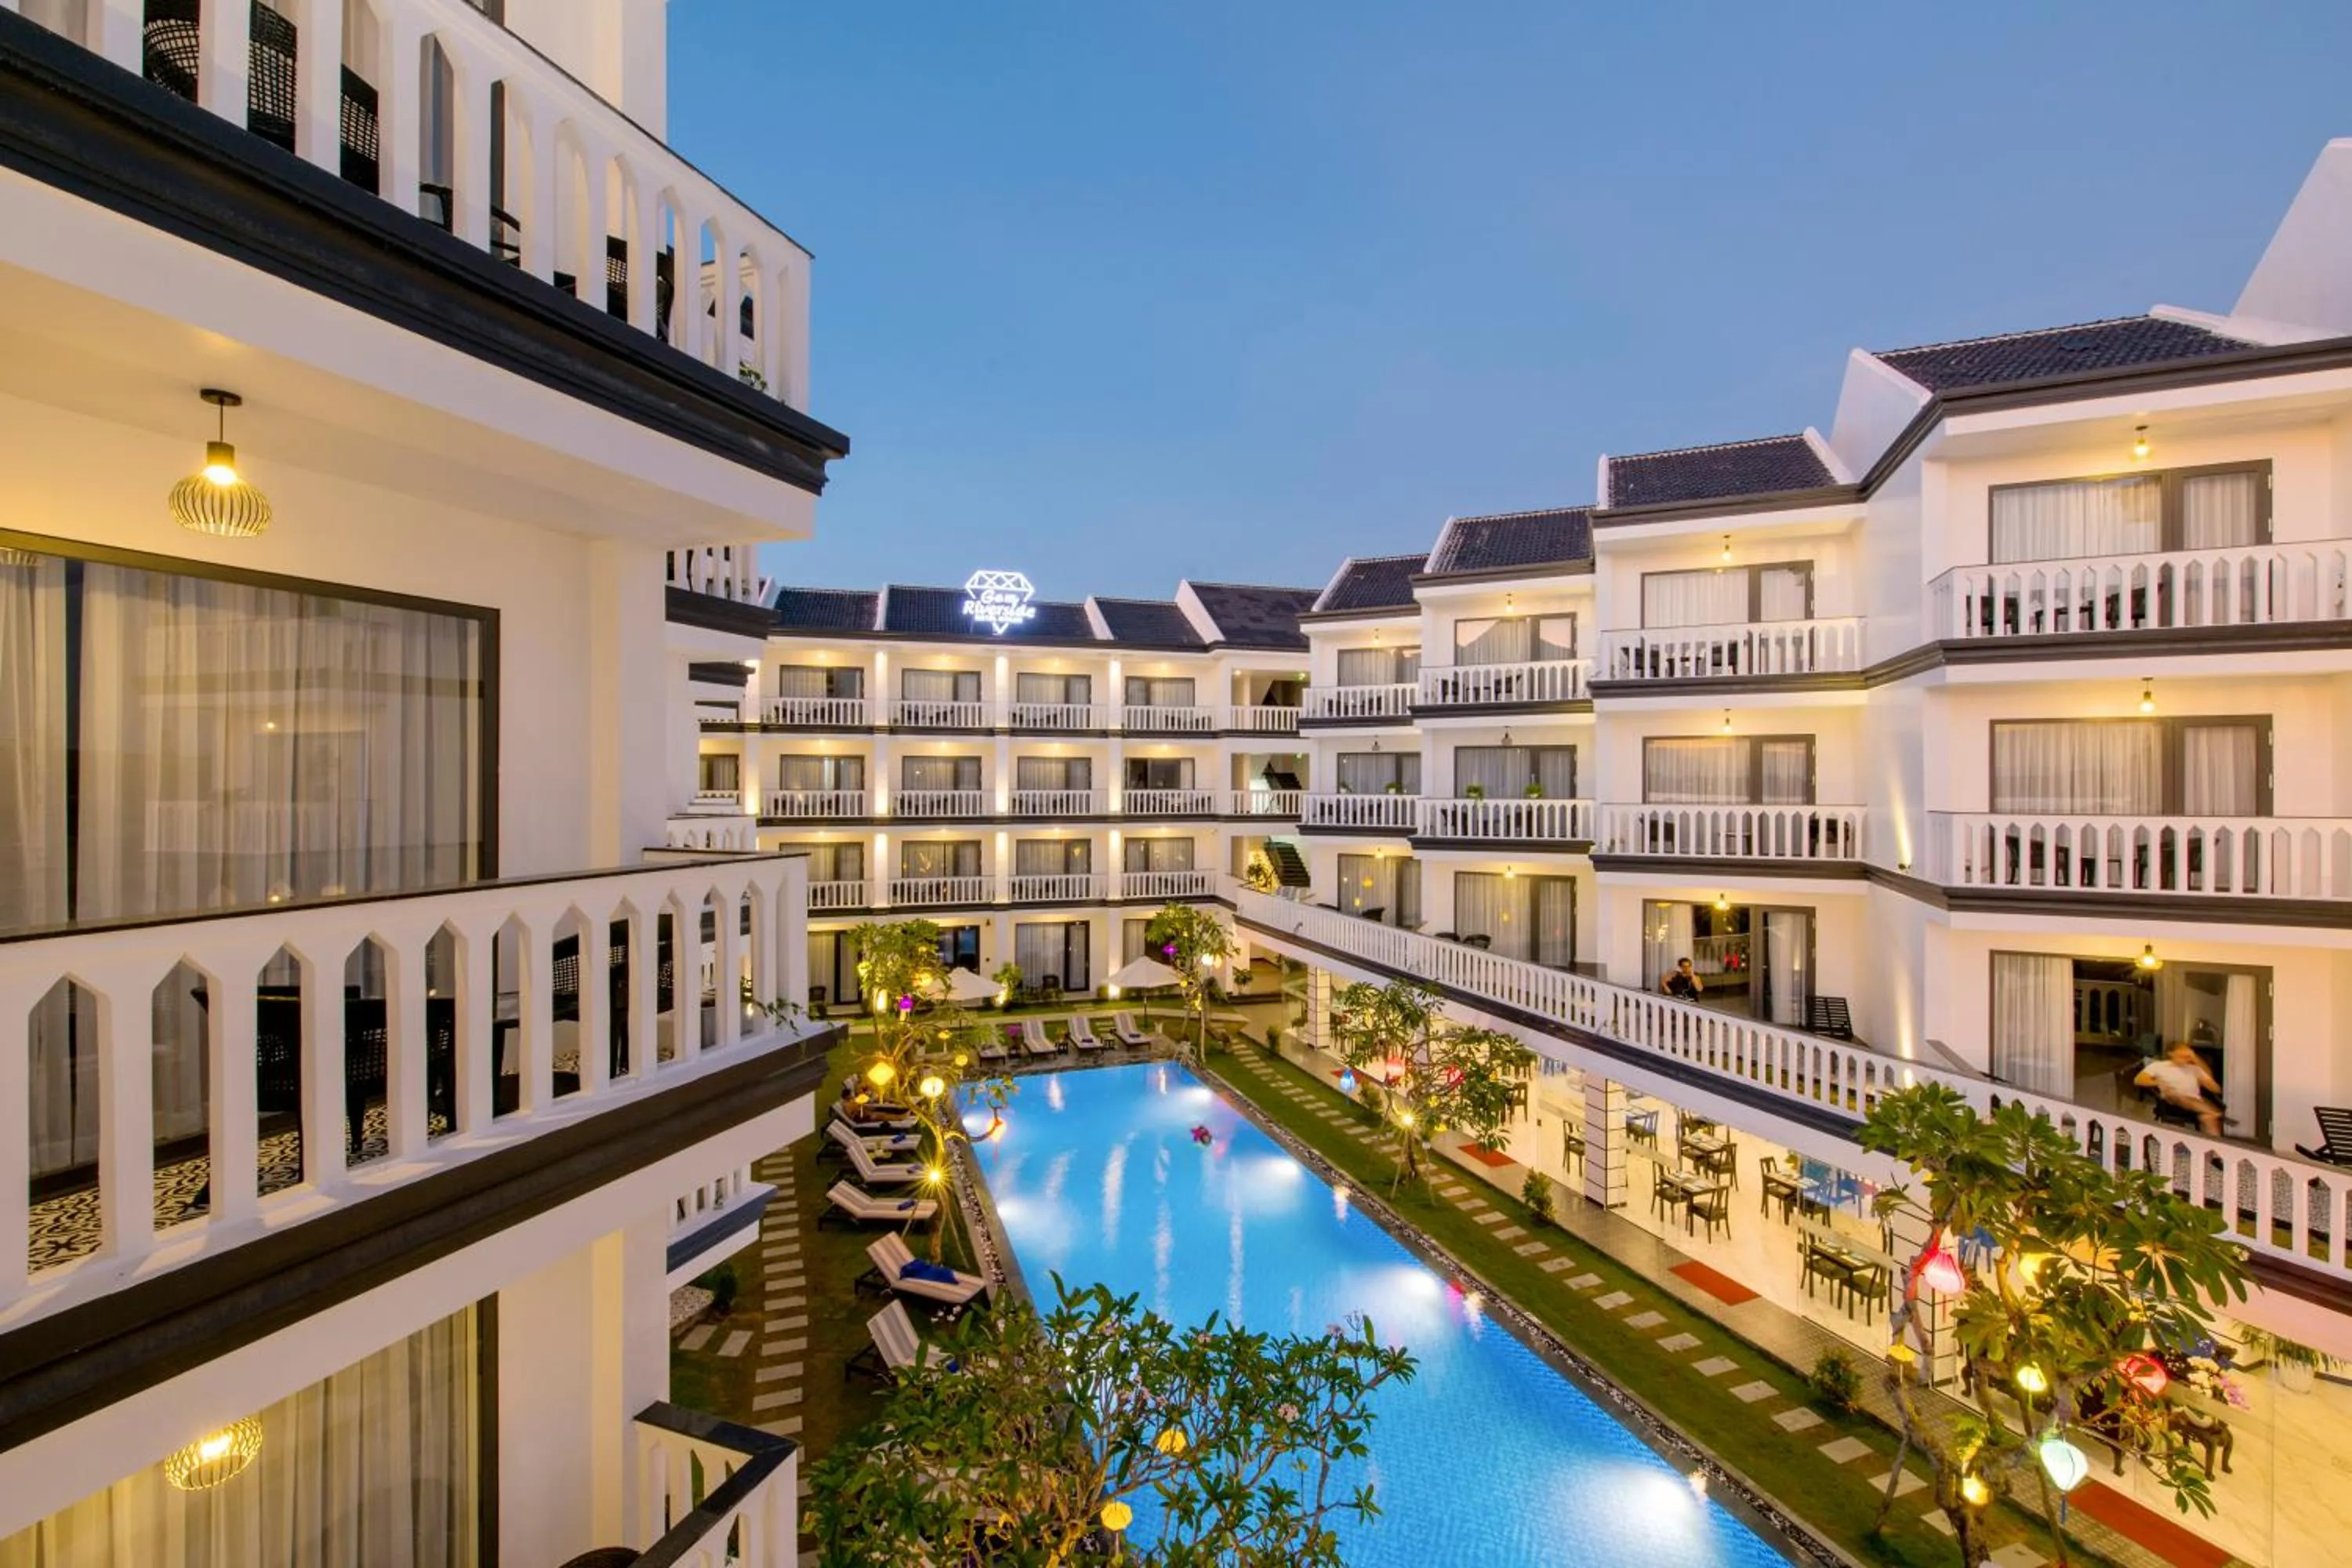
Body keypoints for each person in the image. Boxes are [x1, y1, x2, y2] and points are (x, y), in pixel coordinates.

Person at [2136, 1042, 2229, 1137]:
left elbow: (2216, 1089)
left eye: (2188, 1053)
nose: (2186, 1055)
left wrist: (2196, 1059)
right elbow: (2138, 1080)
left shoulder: (2194, 1069)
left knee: (2210, 1118)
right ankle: (2211, 1112)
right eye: (2182, 1052)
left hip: (2195, 1103)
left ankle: (2214, 1145)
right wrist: (2159, 1082)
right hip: (2171, 1103)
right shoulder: (2159, 1066)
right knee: (2175, 1094)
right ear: (2171, 1053)